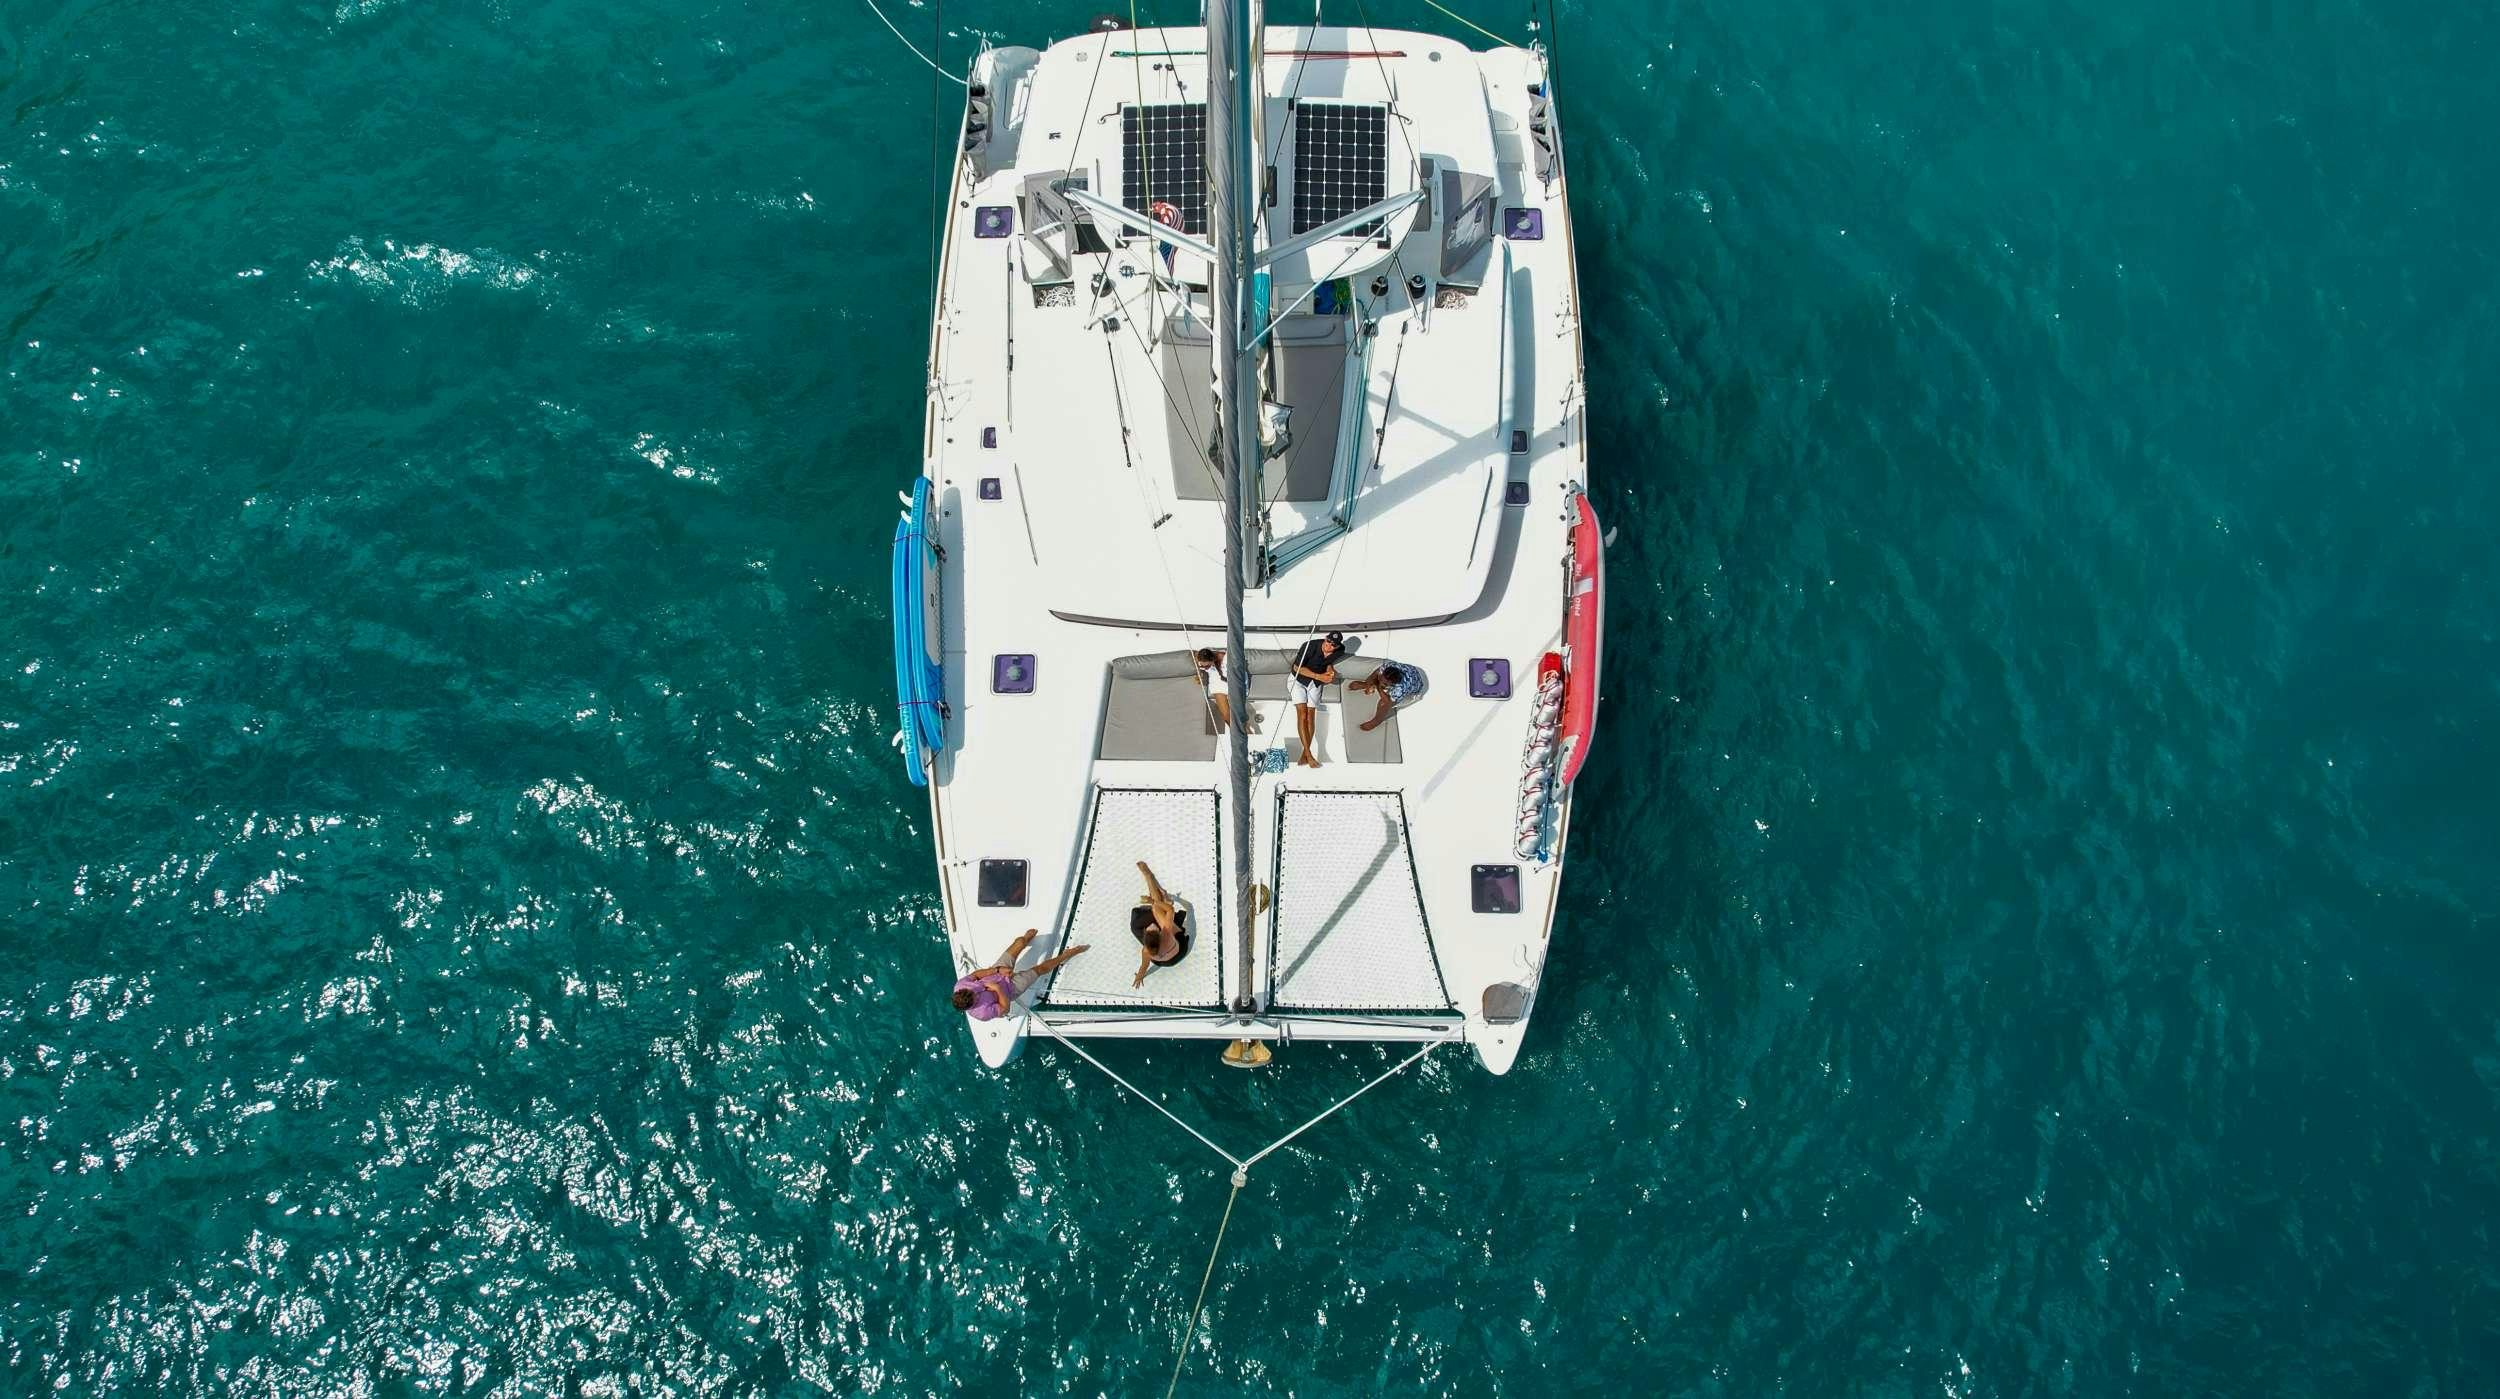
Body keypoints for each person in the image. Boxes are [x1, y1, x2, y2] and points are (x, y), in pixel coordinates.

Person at [951, 929, 1088, 1021]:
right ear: (972, 1005)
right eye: (975, 997)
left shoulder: (960, 986)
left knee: (1020, 942)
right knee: (1039, 969)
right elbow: (1005, 1009)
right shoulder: (982, 1013)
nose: (976, 992)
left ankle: (1026, 939)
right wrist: (998, 989)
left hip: (997, 972)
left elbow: (976, 975)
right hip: (1012, 988)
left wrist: (998, 970)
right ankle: (1067, 954)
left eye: (971, 991)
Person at [1130, 860, 1193, 988]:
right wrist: (1153, 902)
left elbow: (1144, 965)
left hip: (1166, 962)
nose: (1152, 926)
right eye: (1154, 928)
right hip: (1179, 951)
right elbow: (1171, 910)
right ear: (1160, 933)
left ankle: (1151, 881)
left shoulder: (1146, 951)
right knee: (1158, 909)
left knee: (1156, 911)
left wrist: (1140, 976)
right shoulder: (1167, 933)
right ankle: (1150, 878)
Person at [1288, 631, 1343, 768]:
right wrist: (1320, 677)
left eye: (1333, 645)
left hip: (1315, 684)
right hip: (1298, 680)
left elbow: (1329, 662)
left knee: (1311, 716)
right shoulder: (1309, 646)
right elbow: (1296, 667)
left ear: (1337, 646)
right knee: (1302, 714)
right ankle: (1309, 754)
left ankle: (1304, 755)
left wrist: (1330, 671)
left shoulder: (1340, 650)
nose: (1329, 645)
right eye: (1328, 641)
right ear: (1325, 638)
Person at [1347, 662, 1425, 732]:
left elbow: (1387, 702)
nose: (1380, 680)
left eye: (1384, 683)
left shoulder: (1400, 689)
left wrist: (1378, 686)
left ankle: (1376, 721)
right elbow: (1377, 672)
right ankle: (1366, 684)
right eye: (1381, 678)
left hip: (1414, 692)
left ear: (1392, 684)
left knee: (1382, 703)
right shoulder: (1389, 665)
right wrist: (1369, 683)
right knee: (1377, 676)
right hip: (1412, 672)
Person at [1191, 647, 1251, 735]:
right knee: (1226, 715)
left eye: (1207, 666)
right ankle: (1240, 734)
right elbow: (1195, 657)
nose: (1205, 668)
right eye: (1202, 666)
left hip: (1234, 681)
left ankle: (1247, 733)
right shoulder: (1200, 657)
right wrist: (1200, 673)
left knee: (1236, 714)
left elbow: (1238, 676)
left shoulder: (1226, 660)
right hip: (1218, 682)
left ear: (1212, 659)